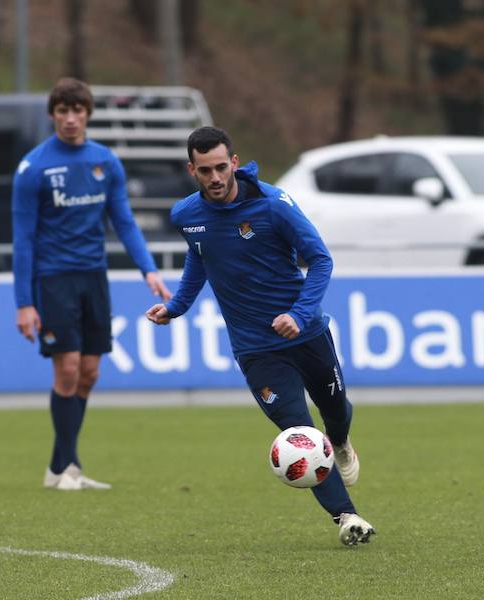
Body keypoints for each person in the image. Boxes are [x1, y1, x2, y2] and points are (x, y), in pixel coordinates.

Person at [145, 126, 375, 546]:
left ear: (233, 163)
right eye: (204, 171)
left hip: (306, 333)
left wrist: (299, 314)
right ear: (191, 170)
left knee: (335, 409)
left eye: (220, 167)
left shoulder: (273, 205)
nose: (215, 178)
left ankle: (340, 442)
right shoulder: (185, 216)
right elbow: (201, 259)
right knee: (298, 430)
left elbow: (321, 260)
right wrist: (177, 306)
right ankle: (347, 517)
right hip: (255, 348)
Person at [13, 77, 171, 491]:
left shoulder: (105, 162)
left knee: (89, 373)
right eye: (62, 111)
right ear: (53, 115)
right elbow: (23, 240)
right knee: (66, 369)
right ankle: (67, 469)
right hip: (53, 280)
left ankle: (60, 468)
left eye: (77, 111)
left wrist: (148, 269)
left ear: (87, 114)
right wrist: (24, 302)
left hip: (93, 278)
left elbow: (123, 221)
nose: (70, 119)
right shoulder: (34, 168)